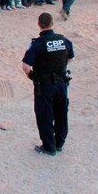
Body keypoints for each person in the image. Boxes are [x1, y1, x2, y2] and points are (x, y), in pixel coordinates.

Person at [22, 12, 74, 156]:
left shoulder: (37, 44)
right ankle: (59, 143)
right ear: (53, 23)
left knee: (45, 115)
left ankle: (49, 146)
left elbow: (25, 66)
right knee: (61, 113)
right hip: (61, 83)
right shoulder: (64, 40)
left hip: (45, 85)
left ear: (39, 24)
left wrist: (32, 76)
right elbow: (70, 58)